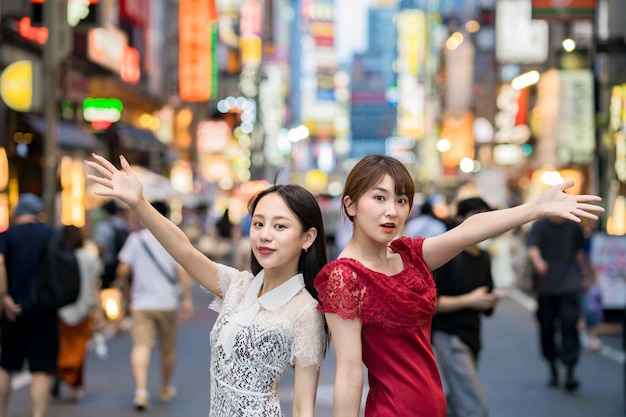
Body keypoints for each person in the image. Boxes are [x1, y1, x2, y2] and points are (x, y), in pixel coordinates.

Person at [313, 155, 603, 417]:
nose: (392, 211)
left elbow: (466, 232)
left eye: (402, 200)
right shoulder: (344, 277)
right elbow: (350, 373)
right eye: (379, 198)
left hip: (434, 406)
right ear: (350, 204)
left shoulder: (408, 254)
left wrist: (535, 208)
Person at [85, 153, 329, 417]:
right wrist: (139, 203)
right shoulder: (238, 285)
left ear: (308, 237)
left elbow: (304, 408)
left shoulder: (306, 311)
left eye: (280, 226)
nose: (265, 235)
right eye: (258, 224)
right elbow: (184, 251)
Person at [115, 201, 194, 411]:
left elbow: (122, 269)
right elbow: (182, 272)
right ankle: (165, 387)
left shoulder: (136, 239)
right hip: (168, 302)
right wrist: (187, 299)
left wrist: (124, 282)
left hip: (141, 303)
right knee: (167, 348)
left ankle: (141, 392)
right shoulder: (173, 238)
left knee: (141, 346)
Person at [431, 197, 500, 417]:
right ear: (461, 220)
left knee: (457, 399)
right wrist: (469, 300)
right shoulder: (446, 255)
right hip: (449, 335)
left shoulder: (484, 257)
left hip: (472, 335)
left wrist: (490, 300)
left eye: (486, 216)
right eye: (476, 216)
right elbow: (430, 303)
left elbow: (486, 299)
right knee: (474, 406)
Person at [0, 193, 57, 417]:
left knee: (5, 366)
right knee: (40, 370)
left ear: (17, 212)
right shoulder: (52, 234)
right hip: (45, 310)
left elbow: (0, 262)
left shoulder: (6, 236)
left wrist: (4, 296)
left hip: (12, 310)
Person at [526, 215, 591, 391]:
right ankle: (552, 366)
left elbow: (578, 252)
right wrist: (538, 261)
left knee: (570, 325)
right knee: (546, 327)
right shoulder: (540, 225)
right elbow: (532, 247)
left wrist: (584, 277)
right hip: (546, 285)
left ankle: (570, 370)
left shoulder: (573, 226)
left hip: (568, 283)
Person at [53, 225, 103, 402]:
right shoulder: (89, 259)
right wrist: (99, 313)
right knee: (79, 350)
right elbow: (95, 286)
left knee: (61, 347)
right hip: (83, 309)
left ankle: (59, 372)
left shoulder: (56, 258)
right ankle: (74, 384)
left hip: (60, 309)